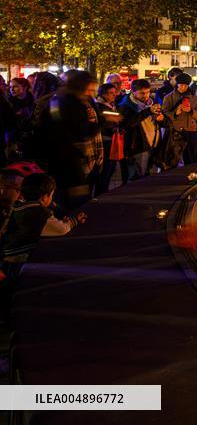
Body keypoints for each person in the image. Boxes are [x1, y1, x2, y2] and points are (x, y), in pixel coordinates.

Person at [0, 173, 85, 315]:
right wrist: (73, 221)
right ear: (44, 197)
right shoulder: (37, 213)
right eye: (51, 195)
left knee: (8, 293)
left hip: (5, 258)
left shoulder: (19, 206)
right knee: (14, 294)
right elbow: (60, 229)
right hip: (16, 262)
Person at [46, 70, 102, 211]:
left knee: (66, 197)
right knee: (73, 200)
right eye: (89, 89)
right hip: (69, 158)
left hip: (61, 157)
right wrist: (104, 122)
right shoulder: (72, 103)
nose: (91, 93)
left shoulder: (57, 100)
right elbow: (81, 130)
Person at [117, 79, 164, 182]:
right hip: (137, 147)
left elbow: (158, 122)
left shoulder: (150, 103)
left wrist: (161, 119)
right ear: (133, 92)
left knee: (146, 175)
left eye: (148, 92)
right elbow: (128, 123)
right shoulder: (125, 106)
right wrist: (148, 111)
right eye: (142, 93)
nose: (146, 95)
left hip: (152, 144)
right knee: (136, 177)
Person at [160, 72, 197, 169]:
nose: (183, 87)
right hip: (175, 132)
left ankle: (191, 177)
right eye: (181, 85)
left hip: (190, 131)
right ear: (177, 84)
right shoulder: (169, 97)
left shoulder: (195, 98)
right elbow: (164, 113)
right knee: (173, 160)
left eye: (186, 85)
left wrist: (191, 111)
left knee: (191, 160)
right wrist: (175, 113)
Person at [93, 83, 122, 195]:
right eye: (111, 93)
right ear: (103, 94)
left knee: (110, 171)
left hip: (112, 141)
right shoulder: (99, 107)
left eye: (115, 93)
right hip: (105, 143)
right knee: (105, 172)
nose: (114, 95)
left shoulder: (111, 105)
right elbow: (104, 123)